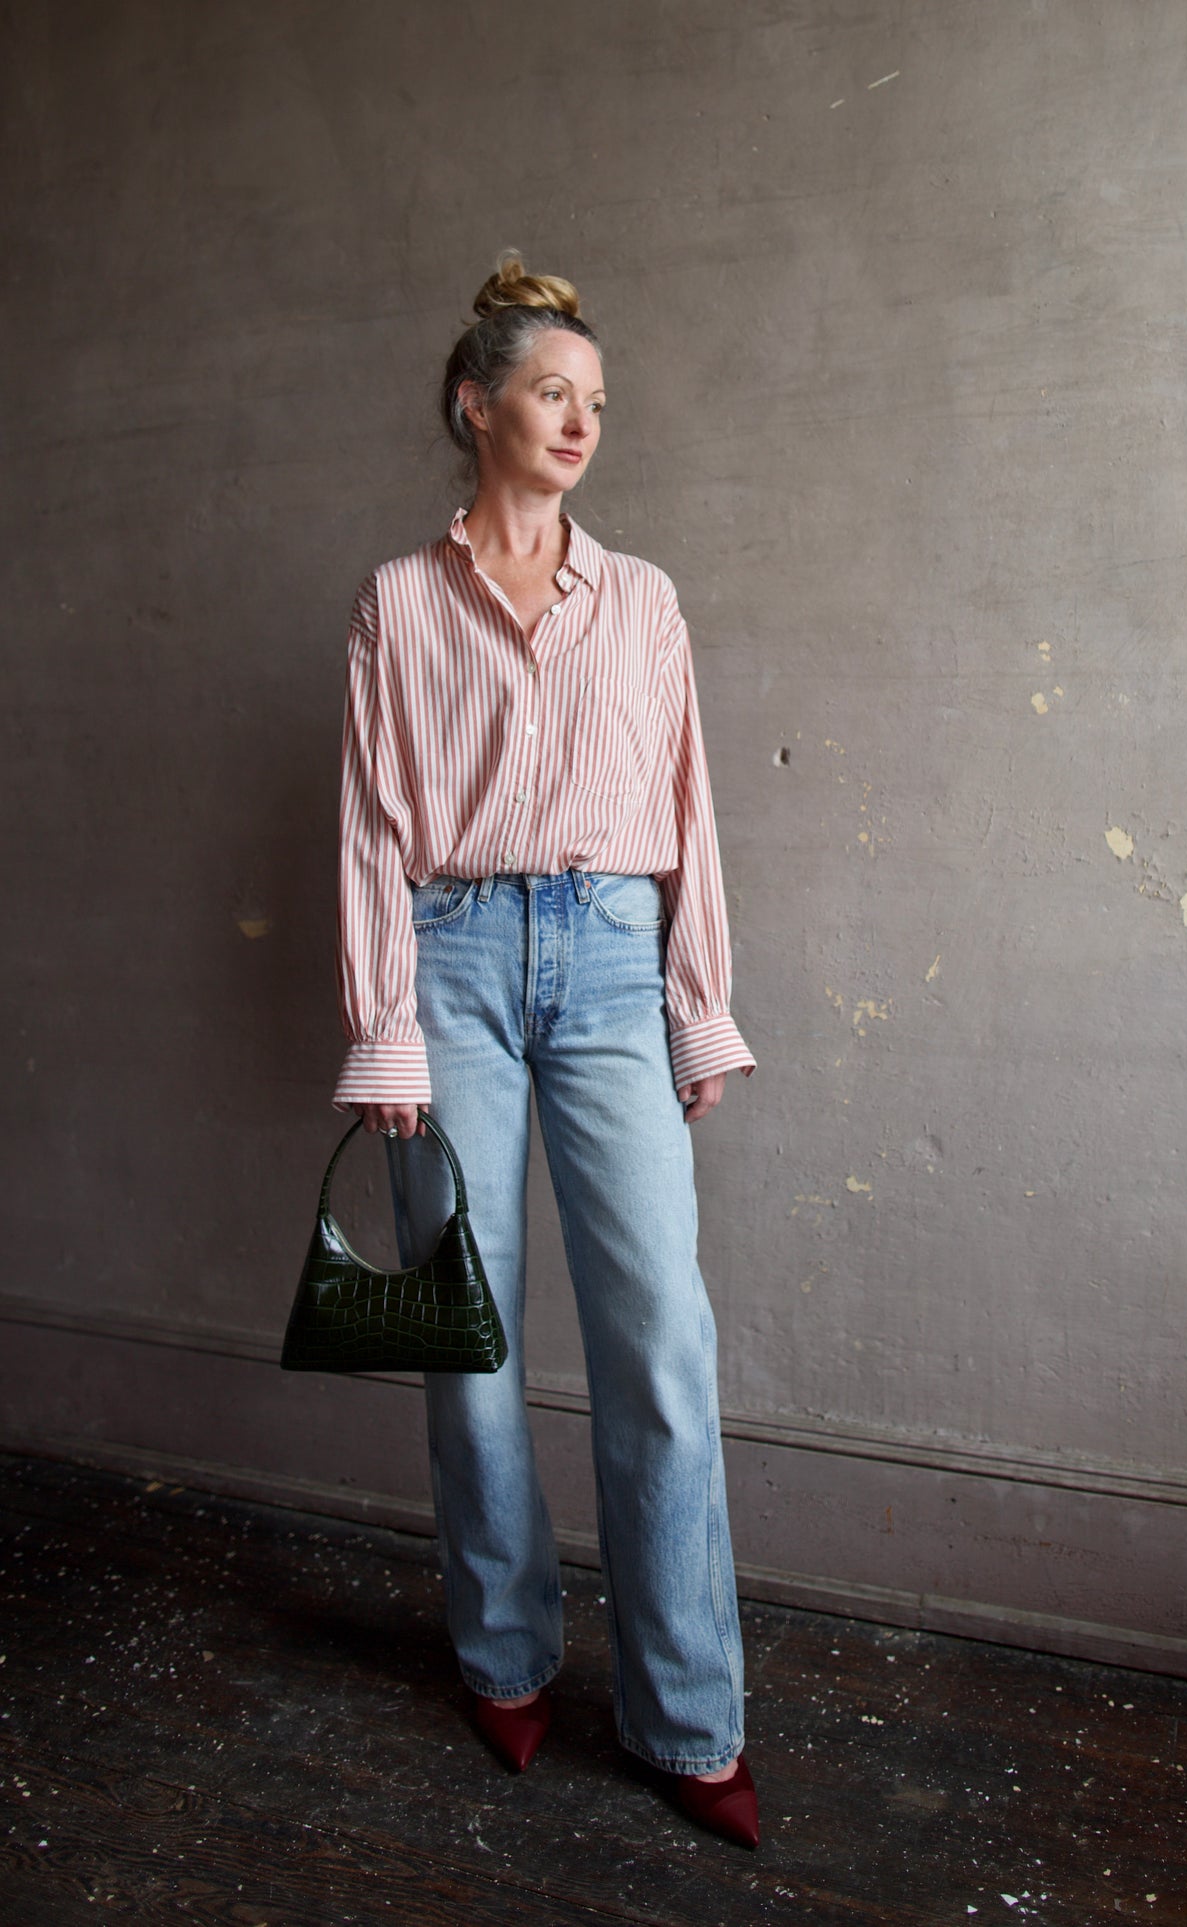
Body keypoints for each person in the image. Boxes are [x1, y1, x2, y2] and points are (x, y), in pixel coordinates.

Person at [330, 254, 759, 1849]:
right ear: (476, 404)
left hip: (600, 963)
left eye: (595, 401)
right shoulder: (394, 602)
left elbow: (689, 811)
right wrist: (385, 1032)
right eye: (550, 391)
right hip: (444, 964)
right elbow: (375, 830)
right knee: (472, 1340)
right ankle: (501, 1654)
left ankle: (687, 1716)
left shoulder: (641, 600)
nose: (580, 420)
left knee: (658, 1340)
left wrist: (692, 999)